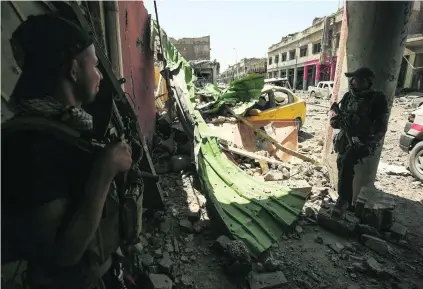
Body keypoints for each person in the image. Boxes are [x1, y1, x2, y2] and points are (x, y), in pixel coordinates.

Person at [2, 14, 133, 289]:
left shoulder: (66, 125)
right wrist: (105, 170)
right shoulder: (30, 144)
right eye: (95, 66)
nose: (99, 76)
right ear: (74, 71)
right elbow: (64, 254)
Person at [329, 67, 389, 217]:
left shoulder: (377, 99)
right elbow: (336, 119)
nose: (353, 82)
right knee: (341, 164)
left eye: (357, 79)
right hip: (346, 139)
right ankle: (347, 200)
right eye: (352, 79)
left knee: (346, 161)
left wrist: (372, 142)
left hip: (364, 141)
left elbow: (382, 126)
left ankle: (343, 201)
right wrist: (337, 120)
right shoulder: (348, 97)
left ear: (368, 82)